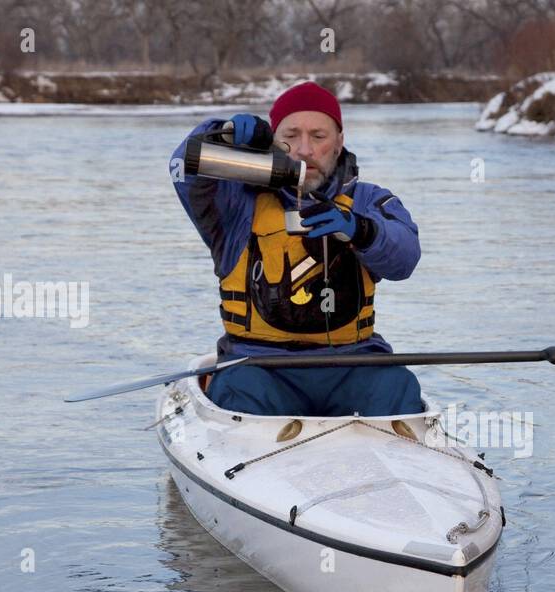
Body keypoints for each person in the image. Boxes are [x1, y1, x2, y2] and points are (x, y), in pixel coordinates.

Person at [170, 81, 424, 417]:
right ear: (273, 142)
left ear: (339, 143)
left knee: (397, 386)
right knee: (240, 392)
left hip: (354, 364)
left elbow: (405, 259)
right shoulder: (234, 204)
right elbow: (183, 167)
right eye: (291, 136)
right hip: (258, 367)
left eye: (319, 137)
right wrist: (221, 132)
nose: (304, 150)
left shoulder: (370, 200)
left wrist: (360, 230)